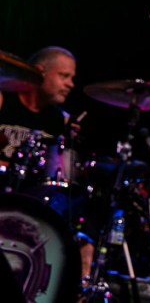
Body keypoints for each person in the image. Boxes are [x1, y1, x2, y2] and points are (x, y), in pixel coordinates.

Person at [0, 46, 96, 288]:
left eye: (72, 77)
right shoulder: (4, 102)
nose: (71, 84)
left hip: (31, 204)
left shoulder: (59, 121)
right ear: (39, 72)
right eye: (64, 76)